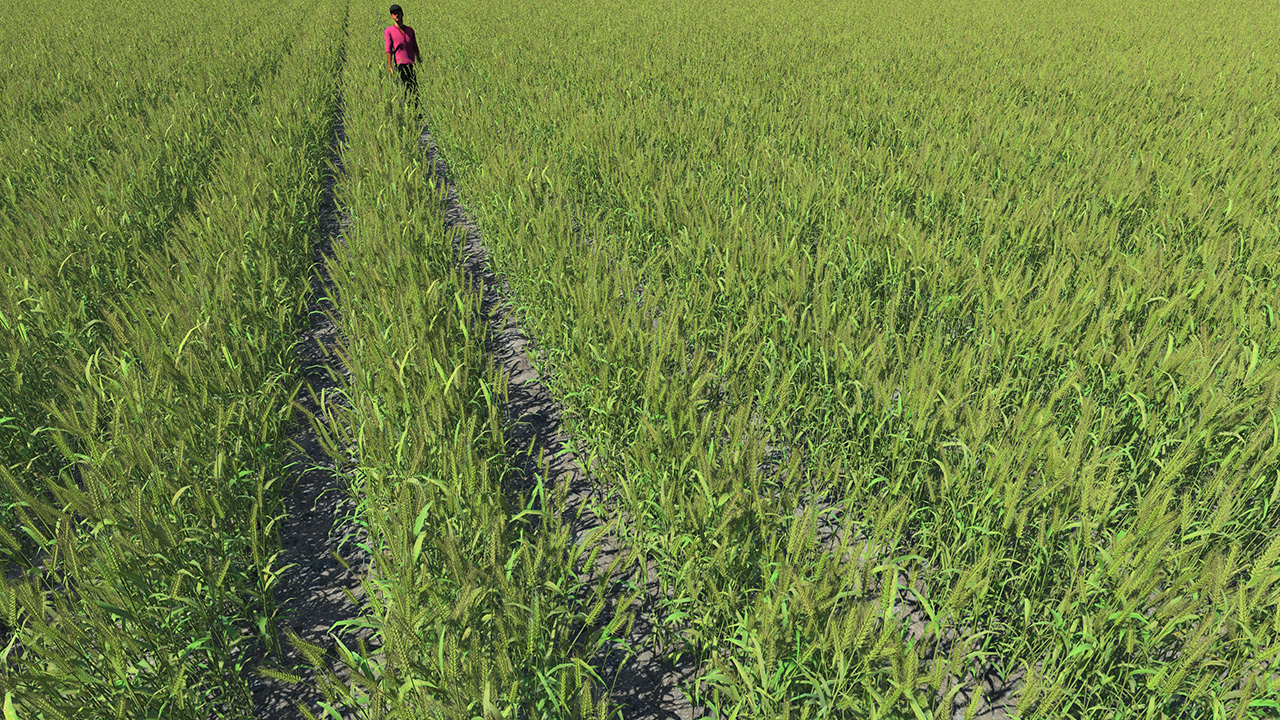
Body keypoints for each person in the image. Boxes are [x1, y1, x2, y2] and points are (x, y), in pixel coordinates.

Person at [385, 5, 420, 101]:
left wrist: (419, 62)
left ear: (402, 14)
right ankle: (407, 111)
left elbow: (415, 47)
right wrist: (390, 66)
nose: (397, 15)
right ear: (392, 16)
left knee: (415, 89)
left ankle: (416, 112)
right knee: (405, 89)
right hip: (400, 65)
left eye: (398, 13)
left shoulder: (410, 30)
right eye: (394, 14)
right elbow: (388, 49)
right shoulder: (389, 31)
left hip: (411, 64)